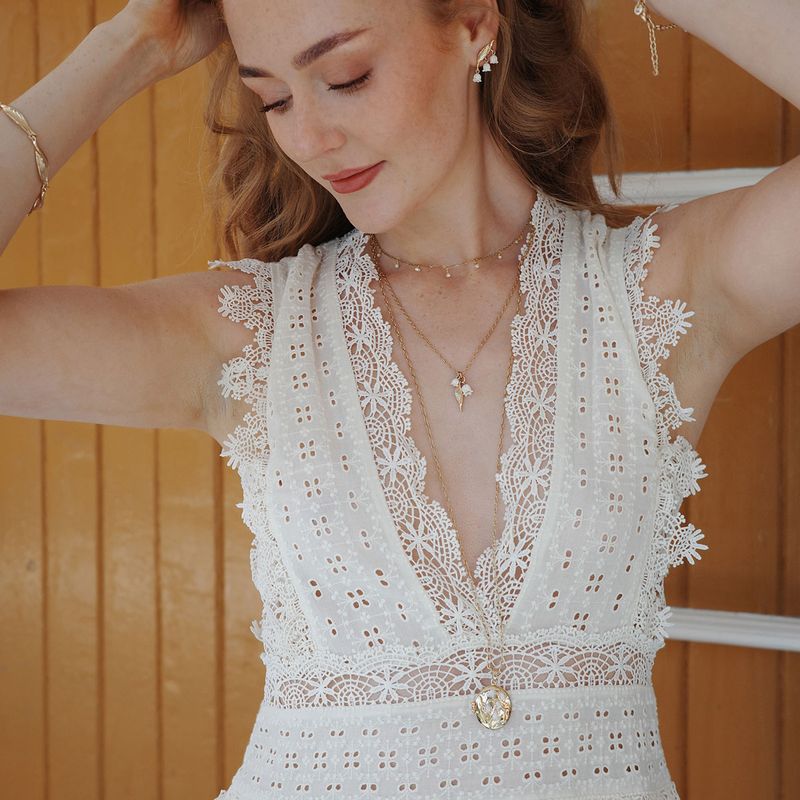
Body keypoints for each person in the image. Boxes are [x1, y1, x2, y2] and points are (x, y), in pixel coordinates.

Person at [1, 1, 798, 798]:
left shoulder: (657, 293)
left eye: (346, 77)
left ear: (474, 23)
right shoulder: (251, 332)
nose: (309, 138)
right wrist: (129, 46)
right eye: (274, 99)